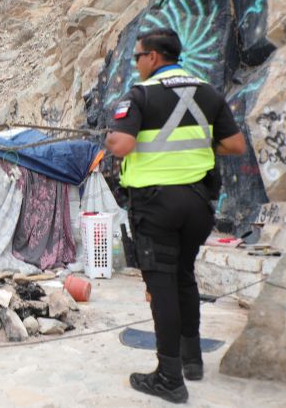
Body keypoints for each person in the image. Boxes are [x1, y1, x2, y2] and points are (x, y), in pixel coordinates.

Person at [105, 28, 246, 404]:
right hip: (198, 205)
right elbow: (234, 144)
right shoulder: (208, 92)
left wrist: (109, 136)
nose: (136, 64)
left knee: (162, 284)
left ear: (153, 57)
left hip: (156, 206)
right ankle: (192, 359)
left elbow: (123, 144)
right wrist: (198, 143)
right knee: (184, 275)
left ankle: (169, 377)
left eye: (137, 57)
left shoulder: (141, 94)